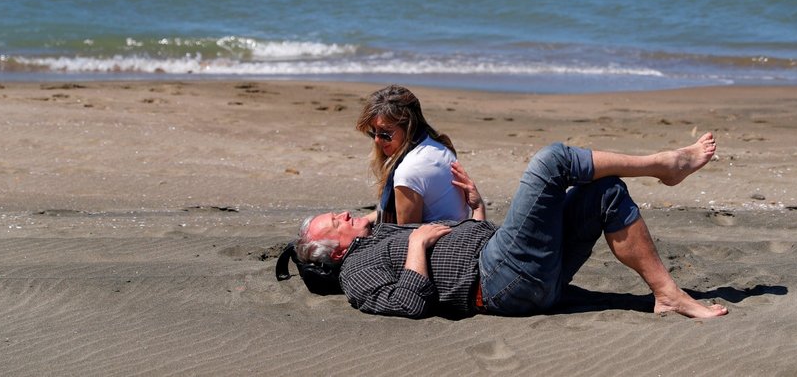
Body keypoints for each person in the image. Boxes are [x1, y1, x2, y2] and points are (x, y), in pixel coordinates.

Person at [295, 133, 728, 320]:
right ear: (334, 251)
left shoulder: (377, 236)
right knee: (551, 161)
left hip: (512, 267)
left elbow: (451, 256)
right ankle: (664, 165)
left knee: (605, 191)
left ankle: (667, 296)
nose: (345, 215)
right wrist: (417, 245)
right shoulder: (355, 273)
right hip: (502, 281)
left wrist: (476, 211)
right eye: (336, 222)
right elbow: (410, 304)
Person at [355, 85, 482, 224]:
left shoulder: (409, 171)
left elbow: (404, 236)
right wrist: (362, 220)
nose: (377, 139)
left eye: (385, 133)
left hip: (439, 243)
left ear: (409, 127)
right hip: (458, 231)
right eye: (373, 132)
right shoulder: (439, 146)